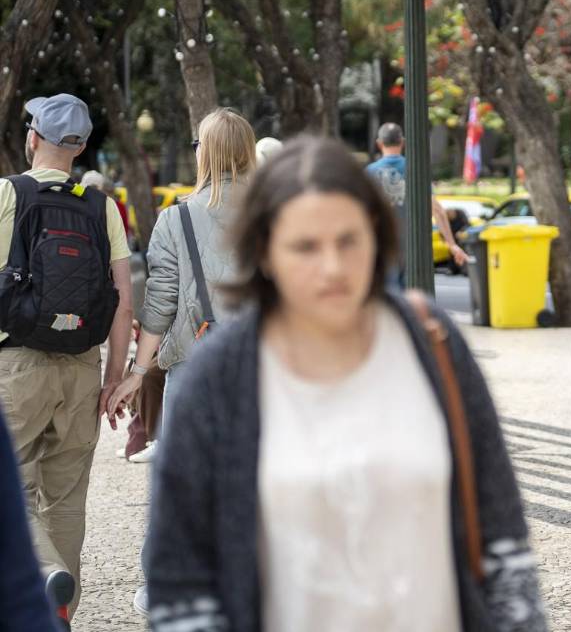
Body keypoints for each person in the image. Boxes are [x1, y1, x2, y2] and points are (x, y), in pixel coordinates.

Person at [143, 137, 544, 631]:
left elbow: (502, 538)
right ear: (265, 252)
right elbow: (180, 581)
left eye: (348, 240)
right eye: (305, 246)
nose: (332, 267)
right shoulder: (218, 377)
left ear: (377, 238)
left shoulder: (432, 344)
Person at [0, 94, 134, 628]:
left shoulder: (7, 194)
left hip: (15, 363)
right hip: (82, 366)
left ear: (33, 138)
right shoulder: (99, 205)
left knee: (10, 488)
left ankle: (43, 571)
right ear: (77, 149)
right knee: (67, 500)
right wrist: (115, 375)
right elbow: (122, 297)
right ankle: (58, 616)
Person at [104, 109, 258, 462]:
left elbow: (160, 306)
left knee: (190, 491)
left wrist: (138, 373)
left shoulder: (177, 218)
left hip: (194, 366)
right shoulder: (275, 213)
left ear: (205, 153)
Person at [365, 122, 468, 284]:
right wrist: (452, 244)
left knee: (388, 301)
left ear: (379, 143)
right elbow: (437, 210)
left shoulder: (369, 173)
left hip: (383, 248)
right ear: (403, 142)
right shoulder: (416, 169)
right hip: (414, 252)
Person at [1, 414, 57, 632]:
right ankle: (61, 610)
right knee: (67, 504)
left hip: (20, 384)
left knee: (22, 497)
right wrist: (116, 378)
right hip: (82, 386)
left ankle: (51, 570)